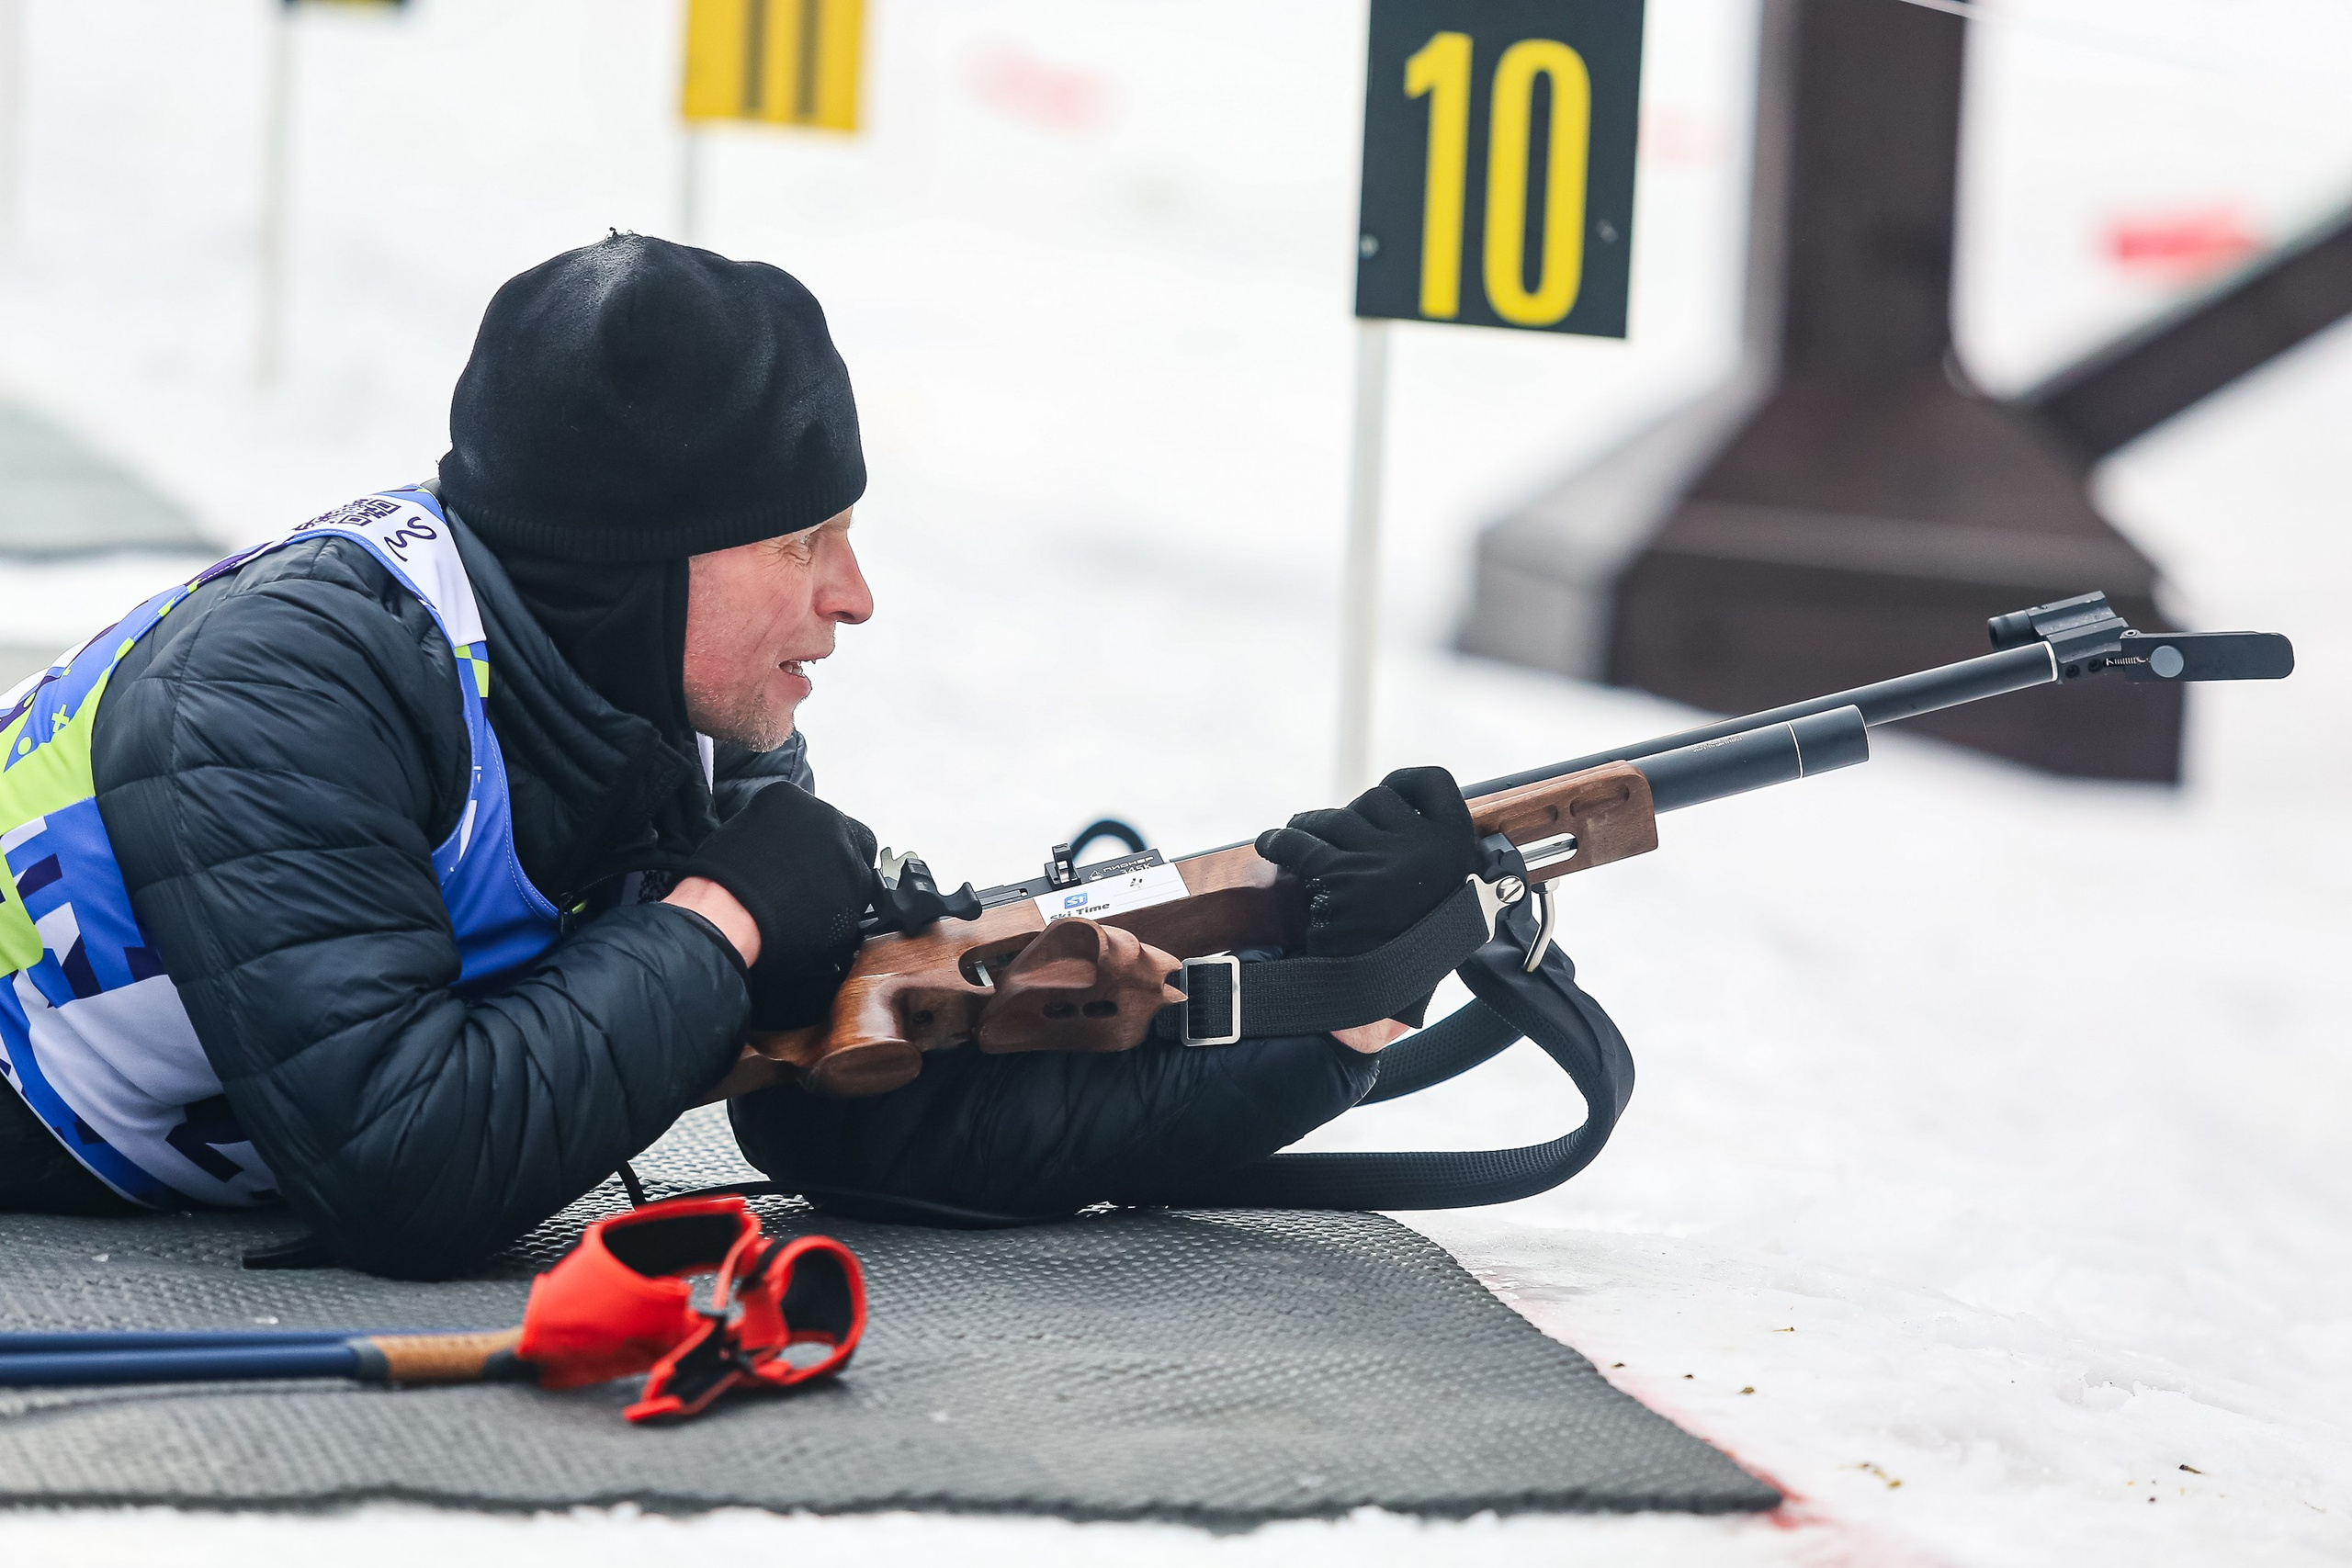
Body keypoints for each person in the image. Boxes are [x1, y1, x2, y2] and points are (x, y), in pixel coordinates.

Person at [0, 234, 1476, 1277]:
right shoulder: (284, 689)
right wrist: (725, 918)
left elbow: (859, 1111)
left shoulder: (671, 714)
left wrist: (1326, 994)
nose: (854, 596)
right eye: (800, 541)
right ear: (641, 562)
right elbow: (403, 1173)